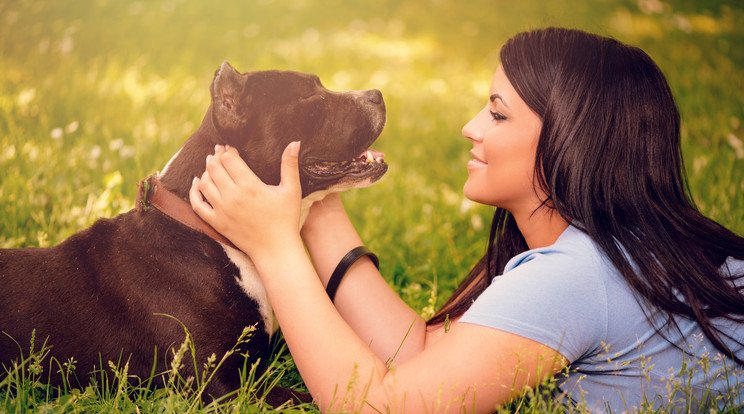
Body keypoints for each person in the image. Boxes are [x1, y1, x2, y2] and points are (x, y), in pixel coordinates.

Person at [189, 27, 744, 413]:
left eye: (498, 113)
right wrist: (316, 202)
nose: (470, 127)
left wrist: (276, 248)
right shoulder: (612, 251)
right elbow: (425, 363)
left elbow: (382, 406)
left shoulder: (577, 276)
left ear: (572, 142)